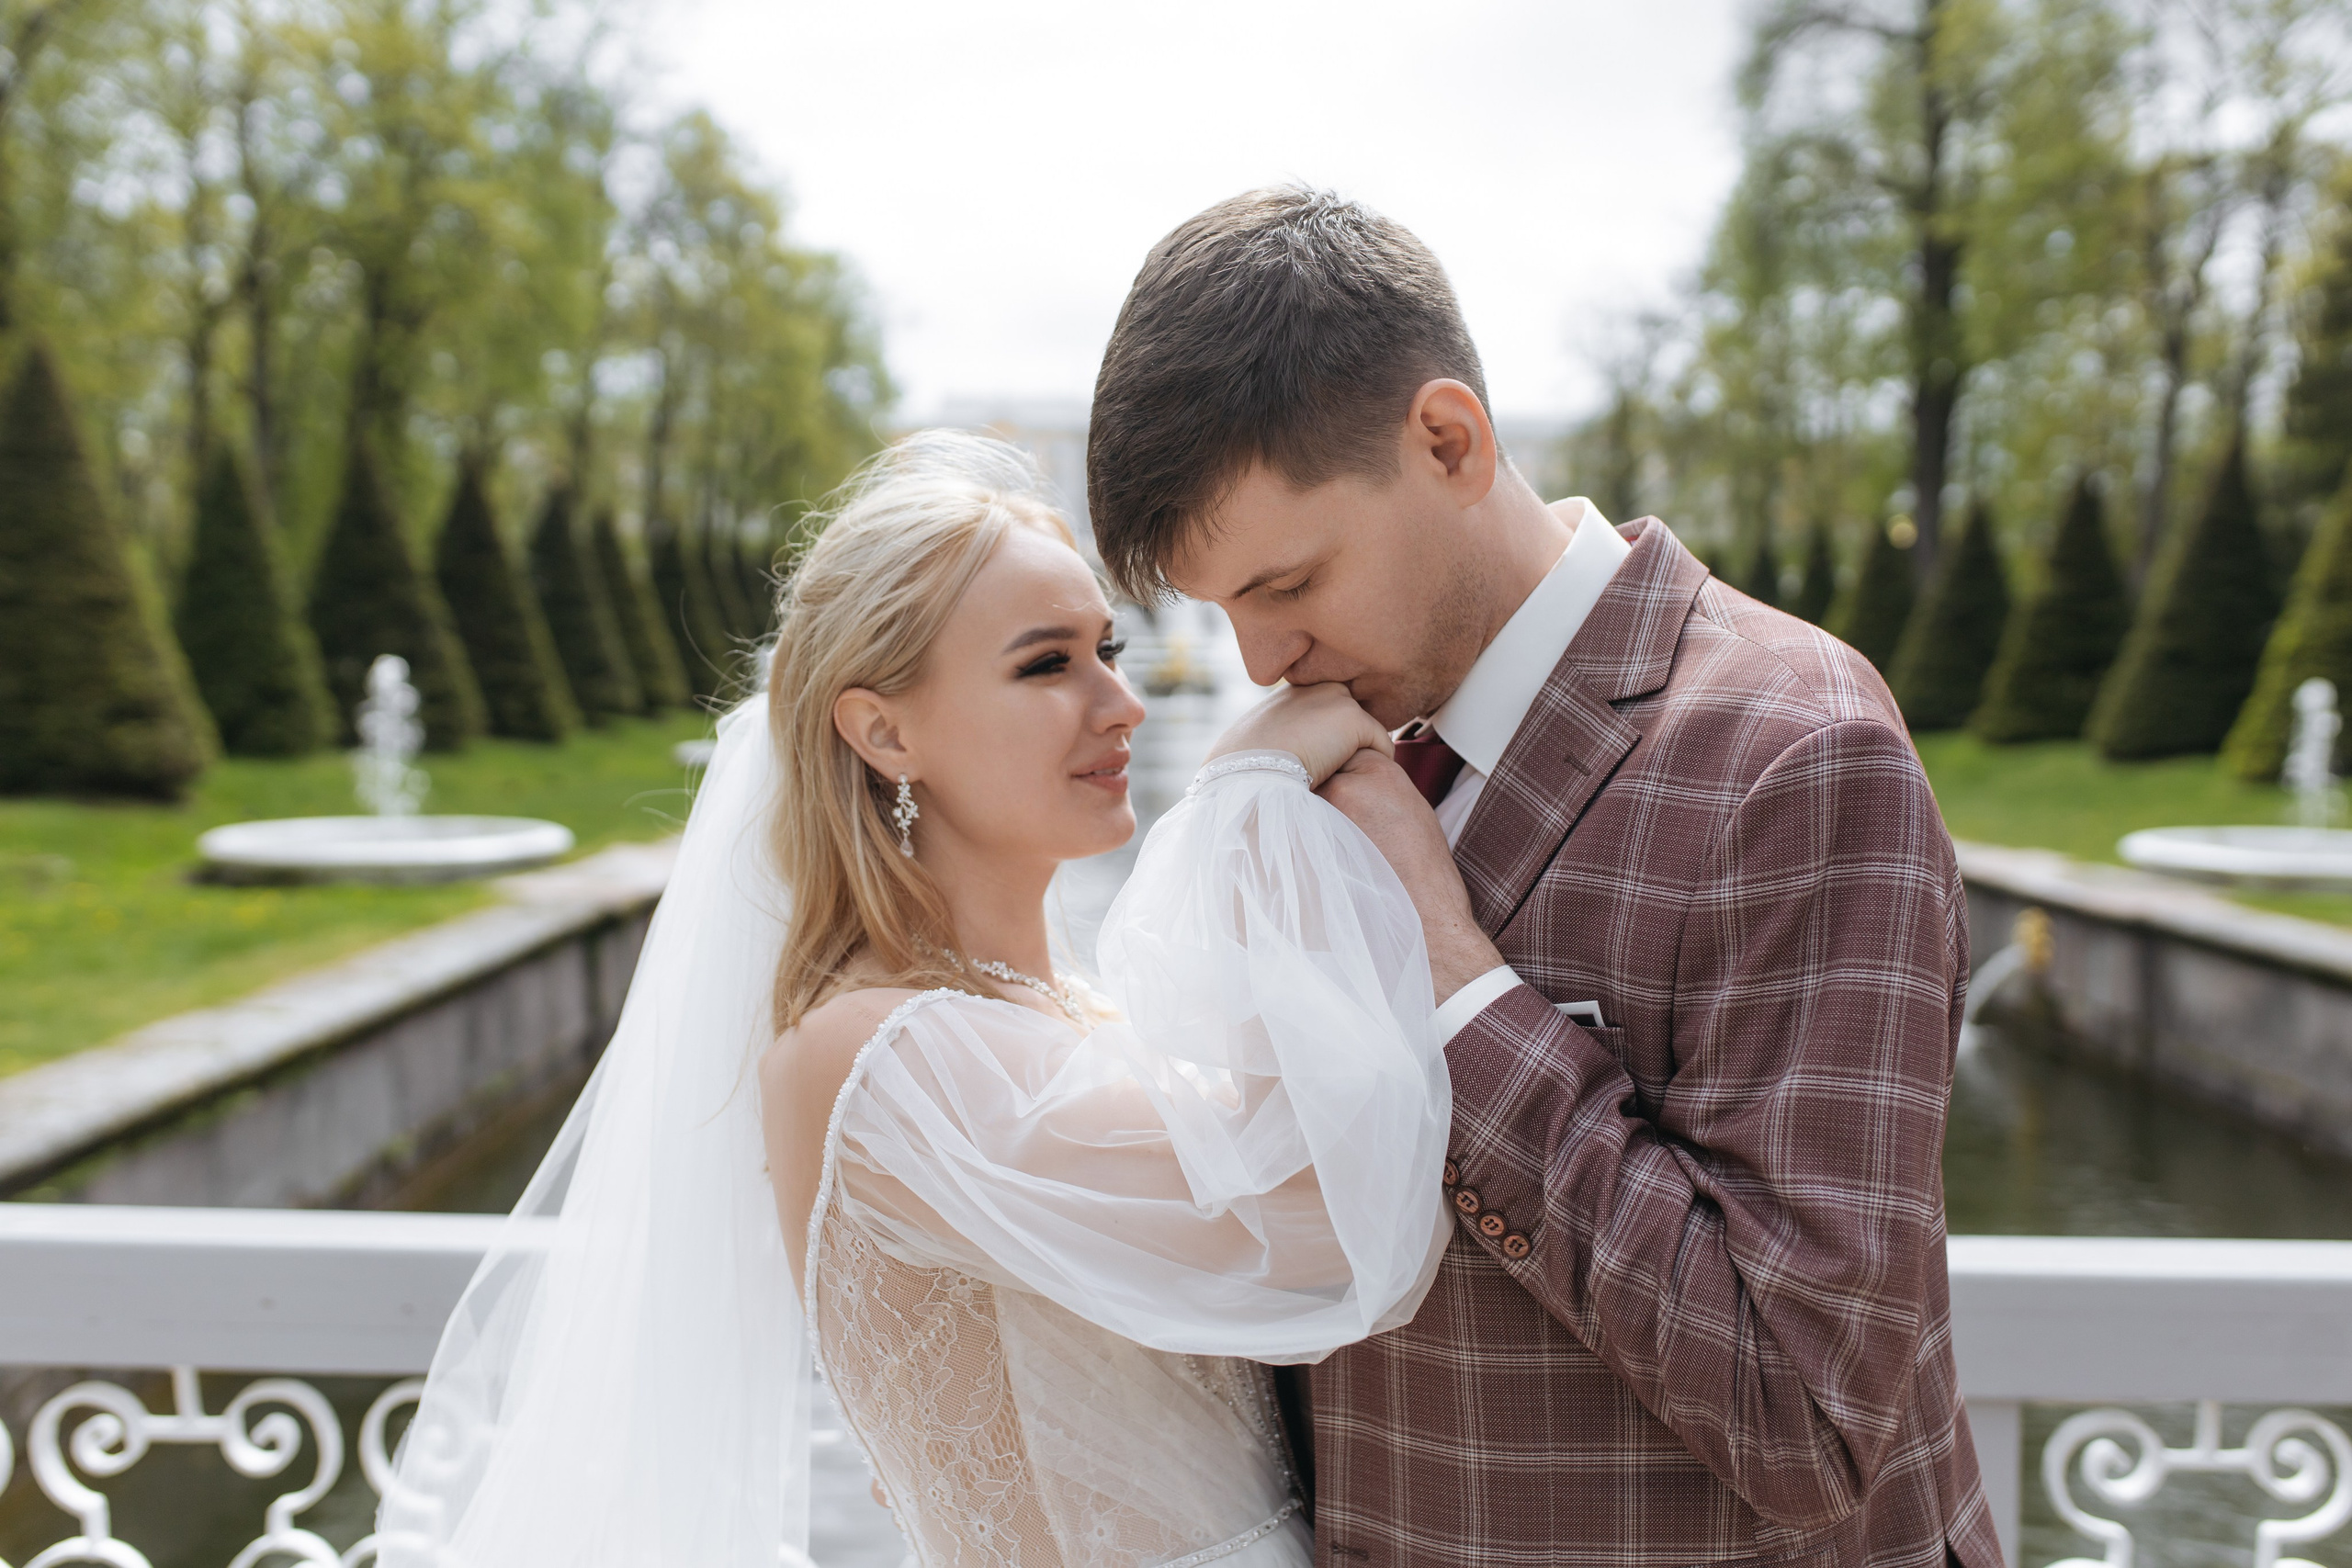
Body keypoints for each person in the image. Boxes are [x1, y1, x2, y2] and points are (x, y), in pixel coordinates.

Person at [1086, 186, 2003, 1568]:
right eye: (1223, 612)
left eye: (1289, 581)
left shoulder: (1799, 755)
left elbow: (1812, 1416)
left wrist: (1457, 989)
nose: (1262, 659)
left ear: (1448, 441)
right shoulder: (1340, 771)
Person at [376, 430, 1455, 1568]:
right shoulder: (880, 1057)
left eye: (1109, 649)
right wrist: (1244, 802)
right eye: (1047, 666)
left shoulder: (1044, 1010)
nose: (1121, 704)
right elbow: (1336, 1221)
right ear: (883, 731)